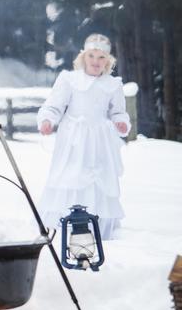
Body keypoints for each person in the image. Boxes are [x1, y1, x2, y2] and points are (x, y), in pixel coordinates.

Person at [37, 34, 131, 240]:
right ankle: (64, 222)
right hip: (74, 139)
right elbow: (54, 105)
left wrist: (120, 122)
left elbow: (118, 112)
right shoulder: (69, 80)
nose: (96, 62)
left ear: (108, 60)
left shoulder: (112, 85)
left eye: (101, 57)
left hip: (100, 141)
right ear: (84, 57)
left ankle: (99, 223)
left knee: (98, 179)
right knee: (72, 175)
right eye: (92, 56)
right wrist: (48, 120)